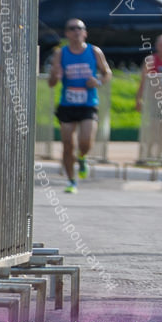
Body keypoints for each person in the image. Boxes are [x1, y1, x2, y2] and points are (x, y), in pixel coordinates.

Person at [47, 19, 112, 193]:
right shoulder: (61, 53)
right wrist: (55, 75)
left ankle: (82, 157)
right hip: (67, 104)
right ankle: (71, 181)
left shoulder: (94, 51)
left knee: (85, 142)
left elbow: (107, 73)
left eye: (79, 28)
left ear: (85, 33)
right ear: (66, 33)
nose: (76, 31)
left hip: (88, 103)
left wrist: (97, 81)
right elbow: (52, 83)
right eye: (72, 29)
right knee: (67, 145)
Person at [135, 34, 162, 112]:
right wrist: (138, 98)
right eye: (161, 45)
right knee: (154, 122)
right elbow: (143, 81)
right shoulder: (150, 60)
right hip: (154, 98)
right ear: (156, 45)